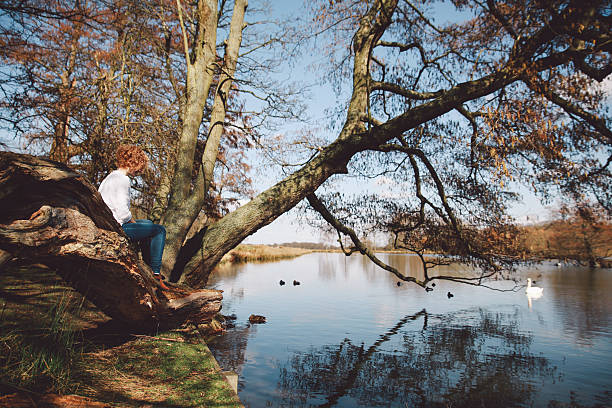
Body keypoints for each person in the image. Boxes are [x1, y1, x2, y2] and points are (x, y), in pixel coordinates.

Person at [98, 144, 166, 282]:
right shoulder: (123, 180)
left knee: (147, 223)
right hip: (116, 227)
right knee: (159, 230)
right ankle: (156, 272)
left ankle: (147, 264)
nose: (140, 171)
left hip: (109, 222)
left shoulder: (110, 178)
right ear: (133, 162)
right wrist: (132, 221)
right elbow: (123, 213)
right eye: (140, 166)